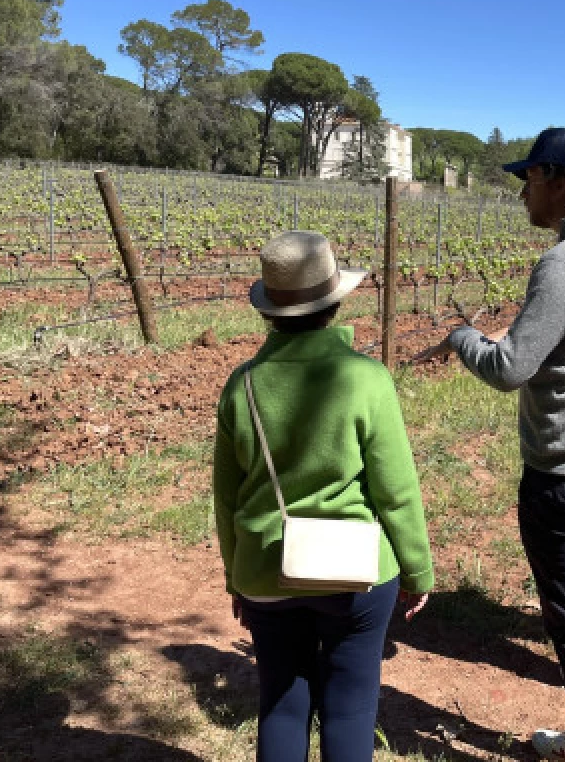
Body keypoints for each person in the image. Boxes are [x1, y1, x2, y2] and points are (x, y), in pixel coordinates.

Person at [416, 128, 565, 762]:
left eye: (528, 180)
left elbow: (508, 369)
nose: (523, 194)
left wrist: (462, 336)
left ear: (556, 179)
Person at [213, 230, 433, 762]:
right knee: (351, 708)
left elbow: (226, 499)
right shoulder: (366, 379)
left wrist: (235, 577)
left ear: (269, 311)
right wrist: (418, 570)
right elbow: (396, 490)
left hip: (266, 569)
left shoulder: (241, 385)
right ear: (333, 304)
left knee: (282, 705)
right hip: (356, 574)